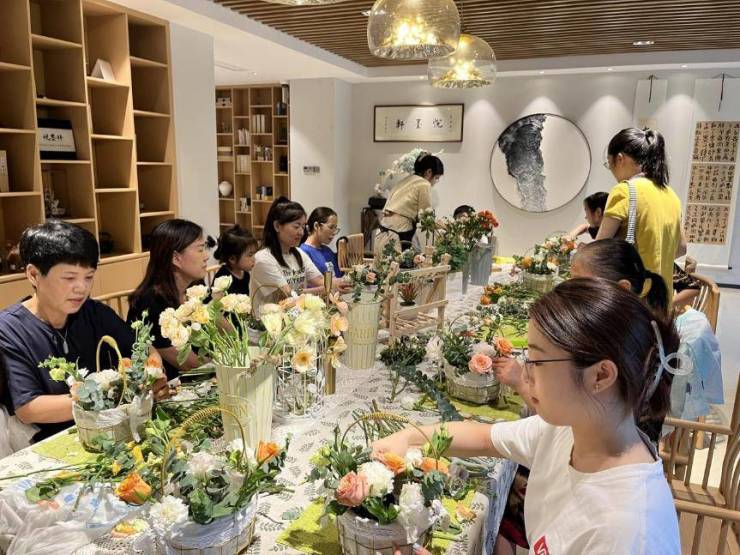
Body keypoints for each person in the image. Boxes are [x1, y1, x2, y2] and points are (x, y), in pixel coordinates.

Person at [375, 279, 681, 554]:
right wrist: (408, 437)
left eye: (537, 360)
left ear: (600, 375)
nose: (525, 372)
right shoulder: (573, 430)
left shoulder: (628, 532)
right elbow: (484, 438)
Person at [0, 221, 167, 444]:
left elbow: (146, 350)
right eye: (69, 278)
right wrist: (114, 396)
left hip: (111, 430)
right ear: (33, 274)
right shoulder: (9, 328)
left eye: (88, 277)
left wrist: (152, 376)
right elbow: (29, 408)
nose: (82, 288)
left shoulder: (94, 311)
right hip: (50, 441)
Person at [571, 239, 723, 425]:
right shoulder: (626, 323)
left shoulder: (629, 339)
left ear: (622, 288)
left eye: (579, 285)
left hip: (622, 430)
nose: (569, 291)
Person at [596, 127, 686, 296]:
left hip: (633, 297)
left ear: (620, 159)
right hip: (662, 298)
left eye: (609, 163)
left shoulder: (625, 190)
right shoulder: (671, 195)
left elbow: (599, 250)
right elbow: (681, 248)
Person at [128, 219, 210, 379]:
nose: (206, 256)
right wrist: (226, 366)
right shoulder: (150, 301)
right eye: (200, 250)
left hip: (200, 378)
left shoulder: (196, 286)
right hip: (168, 385)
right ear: (176, 258)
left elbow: (217, 322)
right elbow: (186, 363)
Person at [250, 198, 348, 315]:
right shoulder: (263, 259)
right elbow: (288, 295)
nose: (301, 232)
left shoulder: (299, 253)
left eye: (303, 227)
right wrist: (327, 289)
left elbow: (319, 280)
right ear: (277, 226)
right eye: (296, 227)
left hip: (294, 318)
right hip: (268, 322)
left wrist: (345, 282)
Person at [374, 153, 444, 255]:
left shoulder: (404, 181)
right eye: (436, 178)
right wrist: (445, 226)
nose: (435, 182)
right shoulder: (424, 184)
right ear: (429, 172)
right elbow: (426, 218)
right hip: (398, 234)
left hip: (381, 232)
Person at [212, 225, 258, 295]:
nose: (254, 259)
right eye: (250, 255)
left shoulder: (245, 274)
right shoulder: (222, 279)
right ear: (232, 259)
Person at [300, 207, 343, 278]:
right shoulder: (304, 252)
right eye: (331, 227)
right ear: (316, 226)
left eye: (335, 228)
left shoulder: (328, 251)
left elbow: (338, 277)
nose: (334, 233)